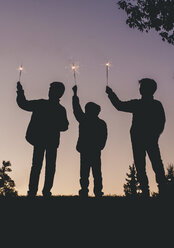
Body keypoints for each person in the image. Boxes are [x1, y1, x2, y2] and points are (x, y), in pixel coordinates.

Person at [106, 78, 167, 198]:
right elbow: (161, 122)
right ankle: (159, 193)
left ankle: (148, 193)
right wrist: (155, 135)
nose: (140, 89)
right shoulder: (155, 104)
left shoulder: (139, 104)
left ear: (147, 89)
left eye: (142, 87)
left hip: (142, 139)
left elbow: (119, 105)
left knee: (146, 166)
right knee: (152, 165)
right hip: (147, 140)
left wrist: (110, 94)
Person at [16, 81, 69, 198]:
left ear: (58, 93)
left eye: (52, 90)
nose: (50, 92)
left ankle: (37, 192)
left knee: (41, 166)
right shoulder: (59, 109)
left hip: (45, 141)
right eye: (50, 90)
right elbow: (23, 104)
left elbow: (65, 126)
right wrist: (20, 92)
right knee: (43, 167)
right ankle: (40, 192)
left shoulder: (48, 106)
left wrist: (20, 92)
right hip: (47, 141)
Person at [72, 85, 107, 198]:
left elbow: (77, 110)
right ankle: (97, 192)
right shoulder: (100, 123)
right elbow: (104, 136)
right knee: (95, 173)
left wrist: (75, 95)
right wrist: (100, 146)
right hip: (94, 150)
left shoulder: (84, 120)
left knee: (86, 173)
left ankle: (85, 191)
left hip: (87, 149)